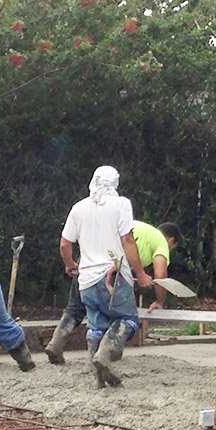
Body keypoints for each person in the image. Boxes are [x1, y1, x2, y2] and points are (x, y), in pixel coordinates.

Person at [55, 166, 153, 387]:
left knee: (96, 326)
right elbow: (128, 241)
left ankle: (98, 376)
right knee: (127, 319)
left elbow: (64, 244)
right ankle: (105, 355)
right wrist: (141, 274)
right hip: (113, 277)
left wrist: (70, 265)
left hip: (86, 281)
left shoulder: (78, 208)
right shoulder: (121, 205)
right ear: (115, 183)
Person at [45, 220, 179, 363]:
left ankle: (56, 343)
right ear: (171, 240)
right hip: (110, 266)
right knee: (123, 315)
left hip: (89, 257)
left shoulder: (140, 228)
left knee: (76, 307)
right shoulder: (161, 241)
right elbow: (160, 274)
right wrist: (159, 301)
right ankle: (106, 353)